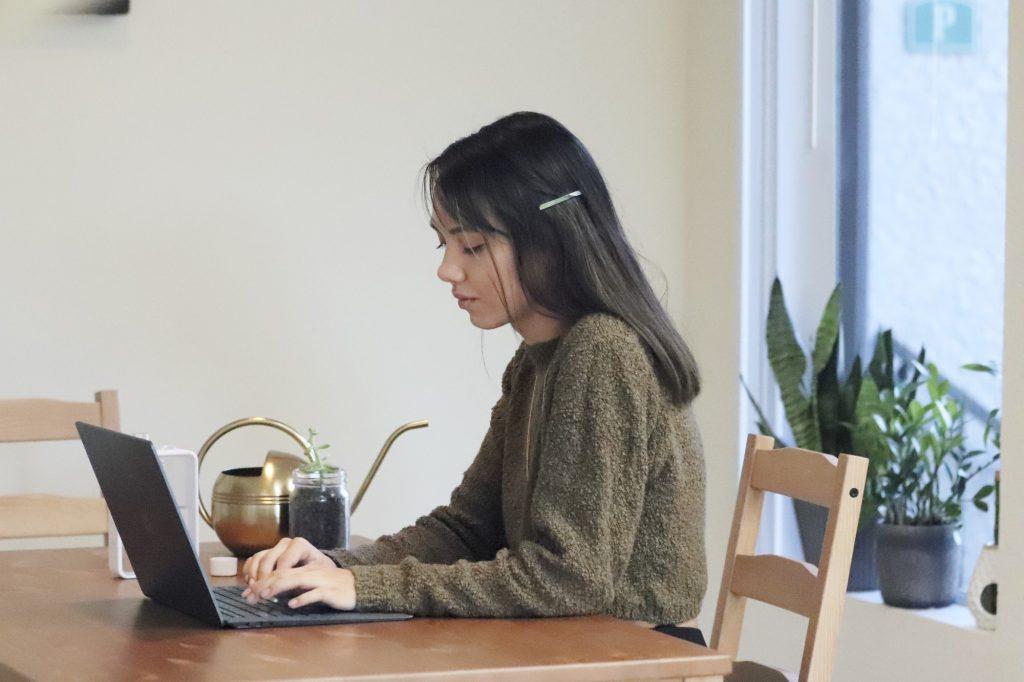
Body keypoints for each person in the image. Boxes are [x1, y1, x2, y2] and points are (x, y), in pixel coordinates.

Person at [242, 111, 708, 645]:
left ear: (549, 239)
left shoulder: (601, 353)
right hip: (571, 649)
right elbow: (467, 528)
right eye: (445, 243)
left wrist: (361, 585)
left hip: (639, 658)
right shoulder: (538, 361)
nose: (448, 269)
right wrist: (331, 564)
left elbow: (570, 578)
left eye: (474, 246)